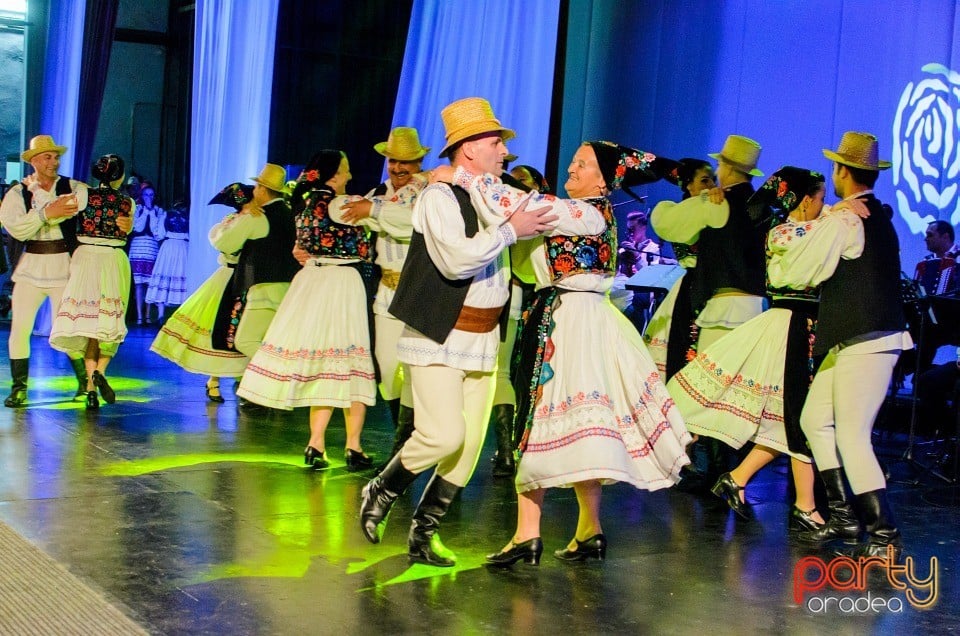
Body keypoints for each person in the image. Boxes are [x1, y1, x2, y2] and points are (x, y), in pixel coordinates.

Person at [358, 97, 559, 566]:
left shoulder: (489, 193)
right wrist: (511, 230)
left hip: (483, 338)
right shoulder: (437, 197)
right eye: (495, 143)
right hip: (438, 334)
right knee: (443, 435)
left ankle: (423, 535)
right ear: (468, 149)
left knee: (467, 448)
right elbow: (456, 258)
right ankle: (381, 490)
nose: (504, 152)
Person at [479, 141, 691, 567]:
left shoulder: (587, 212)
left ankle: (527, 533)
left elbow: (519, 202)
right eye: (573, 161)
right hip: (578, 317)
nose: (572, 168)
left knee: (537, 415)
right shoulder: (581, 213)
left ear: (603, 180)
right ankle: (589, 530)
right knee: (582, 430)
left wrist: (467, 175)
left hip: (568, 321)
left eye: (583, 164)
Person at [668, 167, 866, 530]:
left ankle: (741, 480)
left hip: (799, 326)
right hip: (791, 327)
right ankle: (803, 506)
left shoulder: (803, 229)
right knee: (798, 417)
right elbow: (811, 256)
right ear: (806, 200)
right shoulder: (787, 233)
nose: (827, 205)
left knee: (785, 419)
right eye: (821, 198)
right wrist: (845, 213)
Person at [794, 132, 913, 559]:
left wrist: (808, 222)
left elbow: (802, 269)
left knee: (853, 434)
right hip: (855, 340)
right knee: (814, 420)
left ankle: (884, 535)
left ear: (842, 171)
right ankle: (846, 518)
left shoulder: (846, 218)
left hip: (869, 339)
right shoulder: (869, 213)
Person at [237, 151, 378, 469]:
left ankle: (316, 444)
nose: (348, 176)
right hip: (340, 281)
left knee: (323, 361)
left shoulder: (302, 203)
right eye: (344, 171)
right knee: (348, 359)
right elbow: (378, 218)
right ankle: (353, 446)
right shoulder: (341, 204)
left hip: (311, 281)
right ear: (332, 175)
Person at [652, 136, 768, 492]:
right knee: (731, 391)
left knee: (704, 387)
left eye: (717, 169)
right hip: (751, 307)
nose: (714, 177)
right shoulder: (762, 204)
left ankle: (711, 467)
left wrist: (703, 200)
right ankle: (719, 466)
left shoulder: (717, 204)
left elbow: (664, 222)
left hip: (720, 305)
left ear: (726, 168)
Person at [339, 127, 430, 465]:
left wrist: (374, 213)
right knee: (388, 370)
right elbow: (353, 226)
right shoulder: (376, 193)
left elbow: (412, 225)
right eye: (394, 161)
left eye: (406, 162)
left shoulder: (429, 192)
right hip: (386, 293)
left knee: (415, 369)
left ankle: (404, 447)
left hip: (419, 292)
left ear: (419, 161)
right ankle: (402, 435)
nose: (398, 168)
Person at [0, 135, 89, 407]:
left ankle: (86, 383)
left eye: (55, 156)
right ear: (34, 161)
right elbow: (17, 228)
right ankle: (19, 387)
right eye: (47, 157)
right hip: (31, 265)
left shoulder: (73, 186)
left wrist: (49, 211)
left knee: (70, 328)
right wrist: (44, 214)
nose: (54, 162)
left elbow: (73, 207)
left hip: (63, 264)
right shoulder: (17, 193)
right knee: (20, 329)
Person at [150, 183, 254, 402]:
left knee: (243, 330)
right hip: (228, 277)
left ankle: (241, 380)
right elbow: (220, 242)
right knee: (219, 328)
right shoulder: (231, 222)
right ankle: (214, 381)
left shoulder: (251, 222)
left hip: (246, 279)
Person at [49, 154, 134, 409]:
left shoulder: (84, 195)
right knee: (110, 323)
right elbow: (127, 229)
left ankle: (90, 389)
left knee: (89, 329)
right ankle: (102, 373)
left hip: (86, 257)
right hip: (112, 258)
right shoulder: (128, 202)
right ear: (119, 176)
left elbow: (57, 214)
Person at [214, 163, 300, 379]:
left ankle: (281, 375)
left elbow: (224, 242)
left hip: (263, 288)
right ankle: (263, 387)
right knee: (268, 340)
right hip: (288, 287)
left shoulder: (259, 216)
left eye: (256, 187)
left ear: (262, 189)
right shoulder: (288, 214)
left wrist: (242, 215)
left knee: (245, 340)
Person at [145, 199, 189, 322]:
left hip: (169, 246)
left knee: (165, 275)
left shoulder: (166, 214)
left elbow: (159, 234)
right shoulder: (189, 215)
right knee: (179, 275)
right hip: (183, 247)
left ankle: (161, 315)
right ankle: (180, 314)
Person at [129, 182, 163, 324]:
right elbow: (136, 228)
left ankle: (148, 315)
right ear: (141, 196)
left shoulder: (159, 211)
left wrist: (151, 212)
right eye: (146, 195)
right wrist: (145, 212)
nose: (148, 197)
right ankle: (139, 316)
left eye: (151, 195)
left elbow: (157, 232)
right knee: (138, 284)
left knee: (150, 283)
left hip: (151, 248)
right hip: (138, 248)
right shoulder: (137, 209)